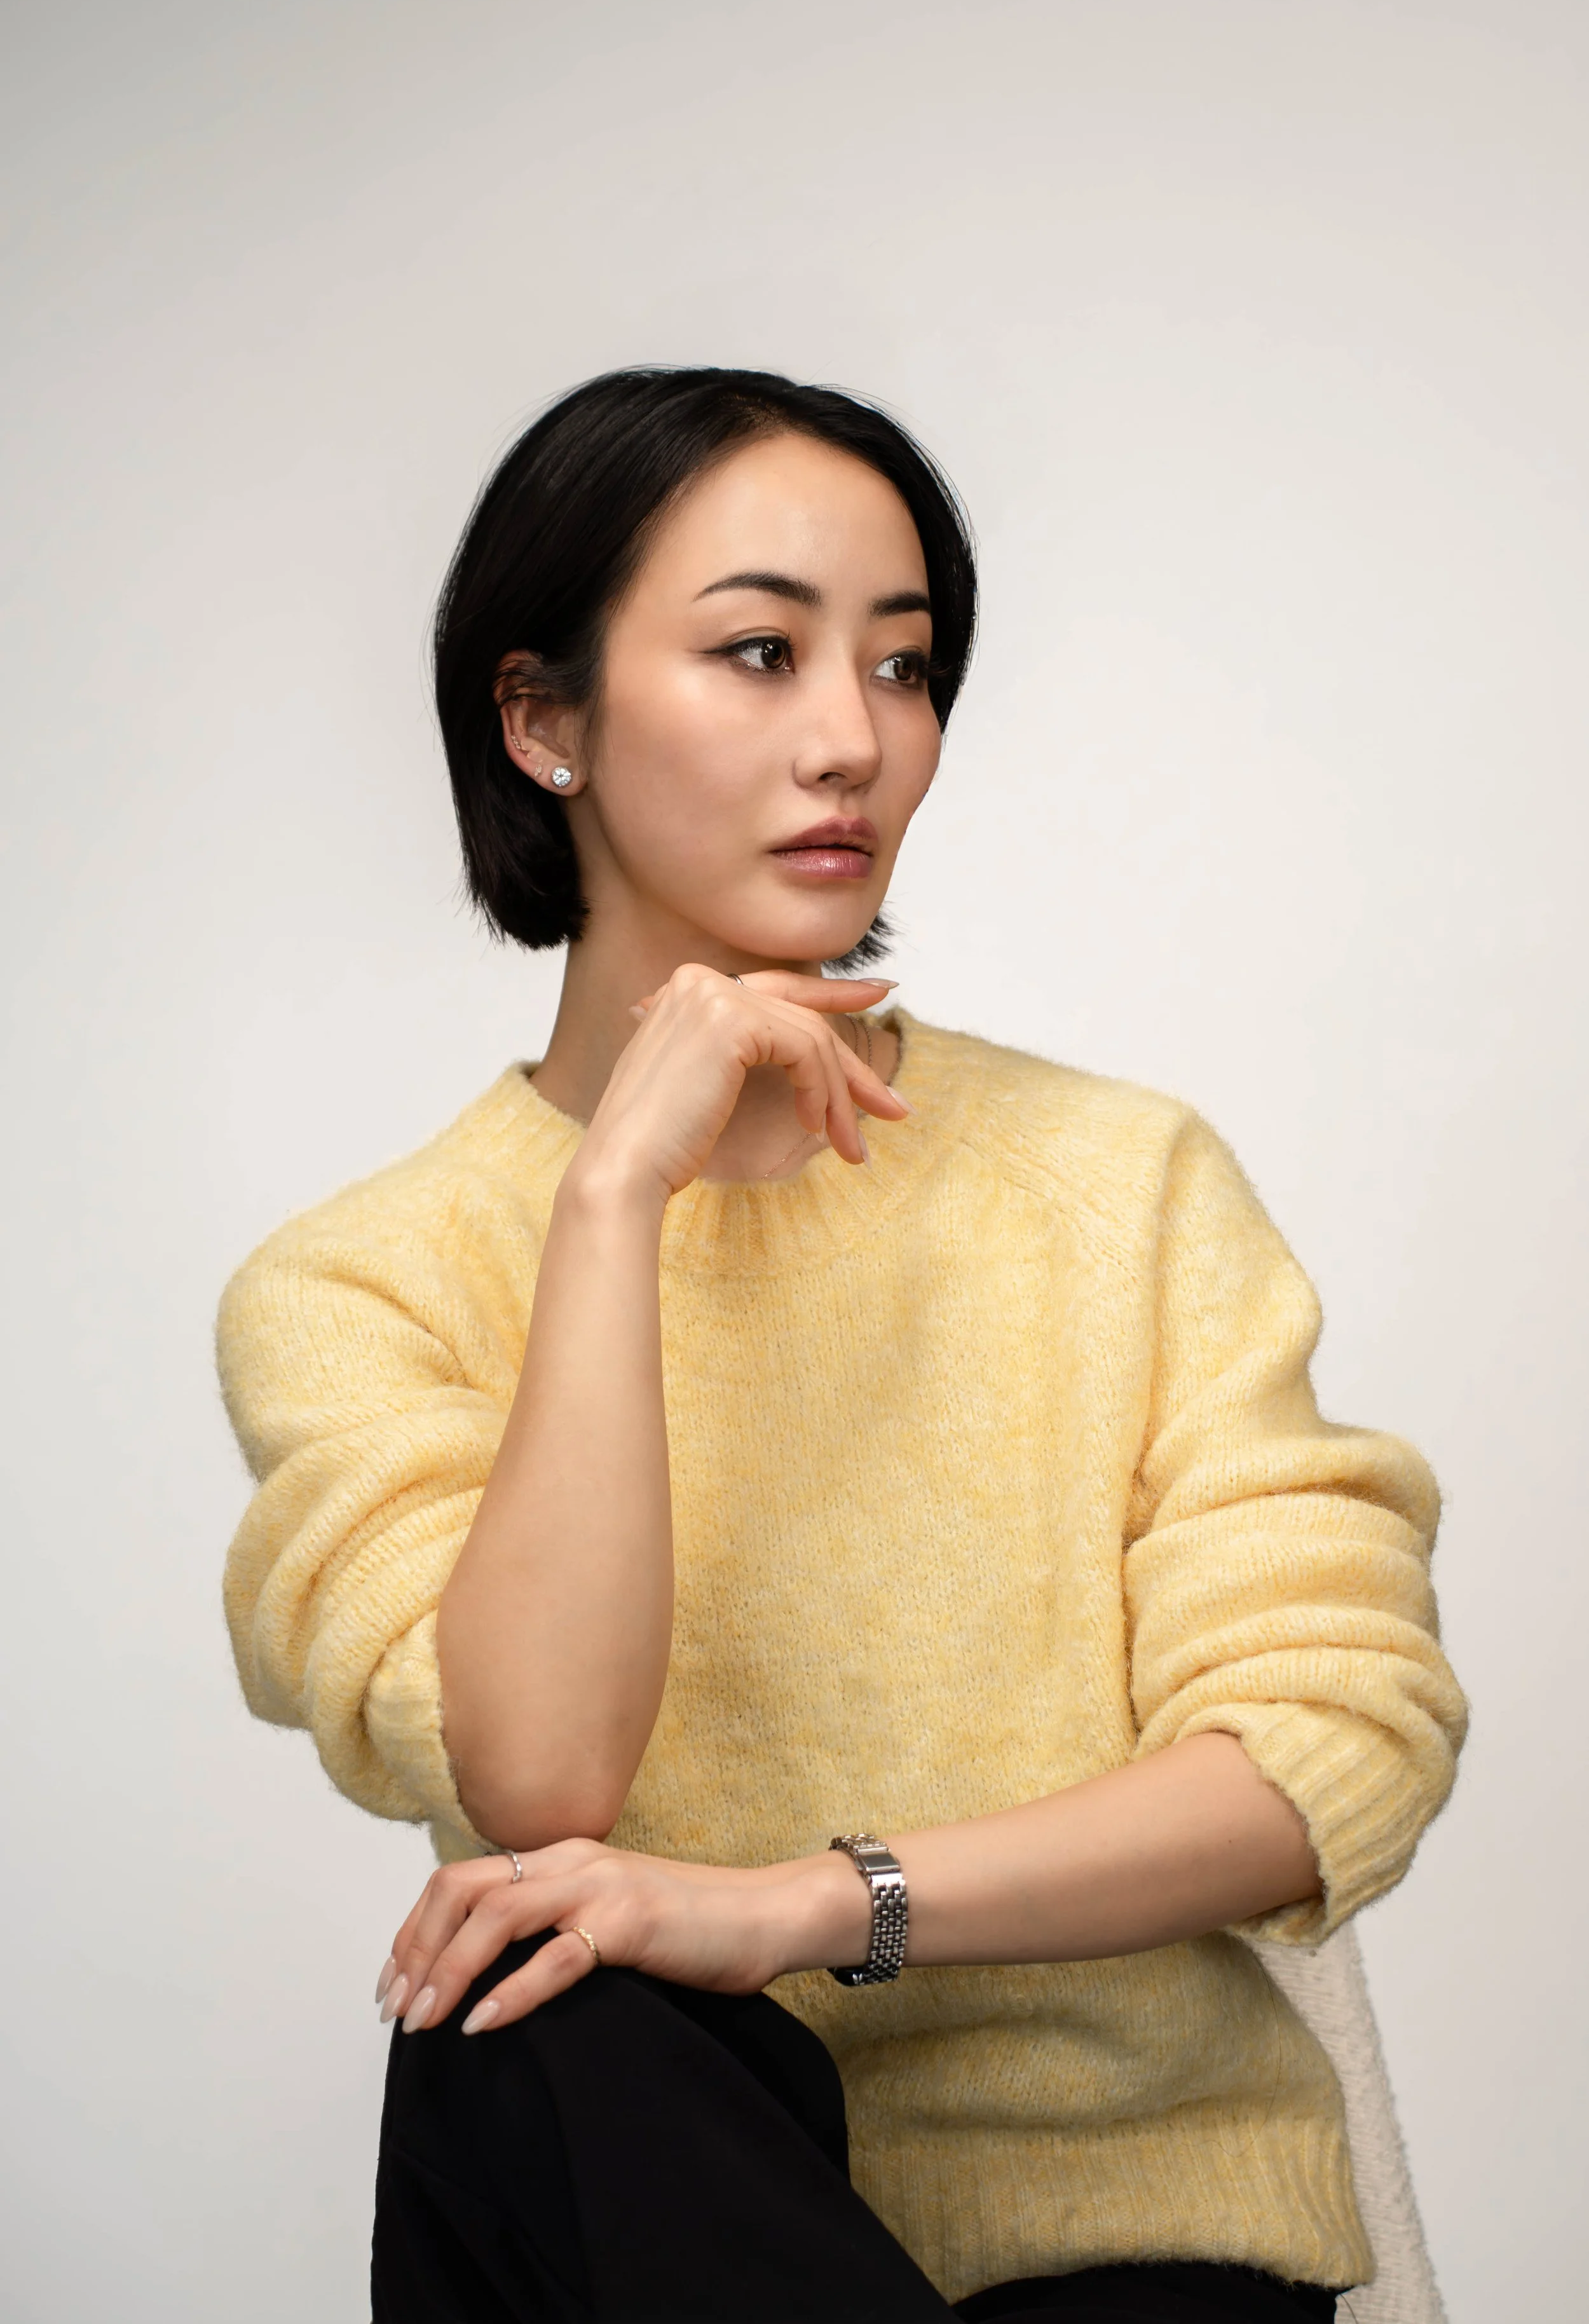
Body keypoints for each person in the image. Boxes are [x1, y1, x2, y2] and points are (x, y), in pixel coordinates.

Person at [217, 367, 1467, 2323]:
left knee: (561, 1983)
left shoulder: (1111, 1182)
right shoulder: (366, 1282)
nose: (850, 742)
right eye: (758, 653)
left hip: (1118, 2240)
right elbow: (543, 1776)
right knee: (531, 2011)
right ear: (541, 719)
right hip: (662, 2215)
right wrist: (615, 1194)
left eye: (900, 667)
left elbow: (1319, 1757)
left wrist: (810, 1903)